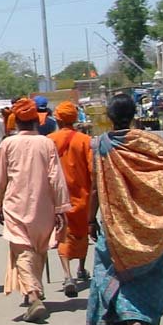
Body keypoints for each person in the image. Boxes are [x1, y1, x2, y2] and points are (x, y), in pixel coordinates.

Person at [86, 93, 163, 325]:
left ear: (109, 117)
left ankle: (129, 318)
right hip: (152, 225)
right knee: (150, 276)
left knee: (107, 272)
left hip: (115, 226)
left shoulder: (101, 145)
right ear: (134, 114)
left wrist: (90, 219)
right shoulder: (151, 142)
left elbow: (95, 191)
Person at [0, 98, 71, 323]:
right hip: (43, 206)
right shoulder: (46, 144)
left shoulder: (7, 145)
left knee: (23, 251)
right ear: (37, 121)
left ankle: (34, 295)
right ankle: (35, 288)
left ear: (15, 123)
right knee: (38, 249)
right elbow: (56, 177)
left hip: (15, 205)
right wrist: (60, 208)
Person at [49, 102, 93, 297]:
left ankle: (67, 275)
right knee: (81, 232)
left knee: (63, 234)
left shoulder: (49, 140)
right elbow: (93, 170)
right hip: (82, 195)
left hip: (58, 197)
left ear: (57, 119)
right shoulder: (85, 140)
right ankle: (81, 269)